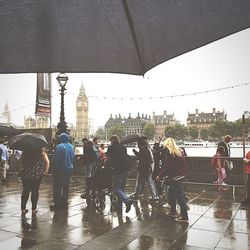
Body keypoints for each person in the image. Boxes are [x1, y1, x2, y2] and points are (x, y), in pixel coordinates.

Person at [156, 137, 189, 223]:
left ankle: (185, 217)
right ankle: (173, 212)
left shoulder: (171, 154)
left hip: (176, 177)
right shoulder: (178, 152)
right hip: (179, 175)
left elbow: (168, 167)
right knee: (171, 195)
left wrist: (160, 175)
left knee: (180, 197)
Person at [106, 135, 133, 213]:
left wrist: (105, 165)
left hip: (119, 170)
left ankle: (127, 201)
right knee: (121, 189)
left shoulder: (111, 147)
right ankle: (119, 206)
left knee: (116, 188)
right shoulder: (123, 147)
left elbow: (108, 159)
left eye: (111, 140)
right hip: (126, 169)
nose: (110, 142)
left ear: (113, 140)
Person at [19, 147, 49, 216]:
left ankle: (23, 209)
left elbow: (20, 161)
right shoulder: (42, 153)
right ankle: (34, 209)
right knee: (35, 191)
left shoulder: (25, 151)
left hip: (26, 175)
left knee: (25, 191)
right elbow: (47, 162)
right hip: (37, 176)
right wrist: (45, 173)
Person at [50, 133, 75, 210]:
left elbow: (56, 160)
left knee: (57, 187)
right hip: (69, 169)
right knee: (66, 187)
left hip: (59, 170)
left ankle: (57, 204)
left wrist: (55, 168)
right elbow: (73, 158)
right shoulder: (71, 146)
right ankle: (65, 203)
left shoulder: (59, 147)